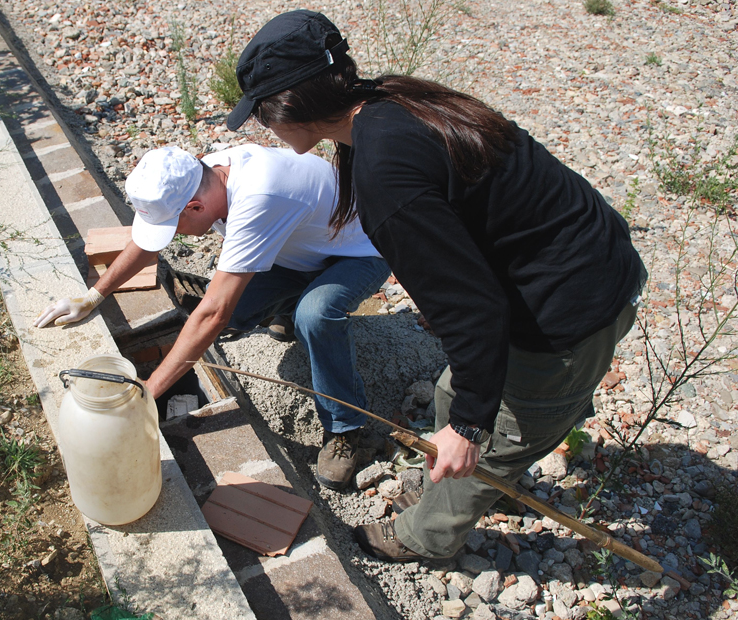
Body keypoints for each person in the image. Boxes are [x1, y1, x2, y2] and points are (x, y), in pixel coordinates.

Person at [225, 10, 646, 562]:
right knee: (453, 391)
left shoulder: (385, 171)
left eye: (260, 114)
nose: (264, 128)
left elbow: (473, 307)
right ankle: (454, 476)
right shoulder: (386, 103)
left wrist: (471, 428)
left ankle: (423, 537)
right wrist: (465, 405)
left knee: (496, 443)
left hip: (571, 310)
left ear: (287, 105)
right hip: (574, 264)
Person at [34, 145, 391, 490]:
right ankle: (292, 302)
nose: (172, 237)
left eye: (174, 228)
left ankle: (345, 428)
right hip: (301, 247)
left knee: (314, 314)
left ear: (195, 206)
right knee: (238, 308)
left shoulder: (259, 197)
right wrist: (93, 296)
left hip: (359, 251)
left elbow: (213, 315)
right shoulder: (203, 173)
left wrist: (148, 392)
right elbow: (147, 244)